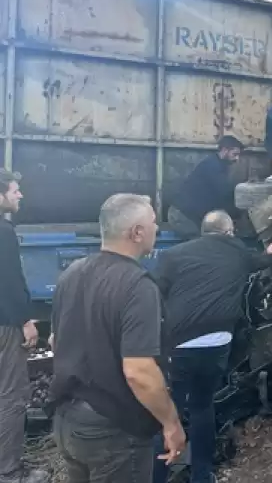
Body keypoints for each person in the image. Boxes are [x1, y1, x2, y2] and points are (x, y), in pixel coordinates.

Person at [50, 194, 185, 483]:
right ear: (136, 233)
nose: (157, 229)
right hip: (114, 432)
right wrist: (171, 422)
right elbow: (139, 372)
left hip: (68, 421)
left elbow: (55, 342)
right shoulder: (138, 286)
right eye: (152, 223)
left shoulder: (70, 274)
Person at [152, 211, 272, 483]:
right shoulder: (236, 251)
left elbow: (155, 294)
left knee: (168, 411)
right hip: (217, 343)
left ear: (203, 231)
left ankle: (157, 475)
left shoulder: (174, 255)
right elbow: (264, 262)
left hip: (179, 343)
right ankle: (202, 474)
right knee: (202, 406)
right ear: (229, 232)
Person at [0, 170, 48, 483]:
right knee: (11, 396)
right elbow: (10, 282)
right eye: (15, 190)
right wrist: (25, 321)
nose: (20, 195)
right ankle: (9, 470)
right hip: (4, 324)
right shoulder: (3, 231)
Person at [168, 136, 244, 240]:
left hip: (188, 215)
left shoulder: (219, 166)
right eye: (234, 154)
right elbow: (224, 194)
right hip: (182, 216)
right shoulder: (212, 167)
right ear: (225, 150)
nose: (237, 159)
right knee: (201, 246)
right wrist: (241, 212)